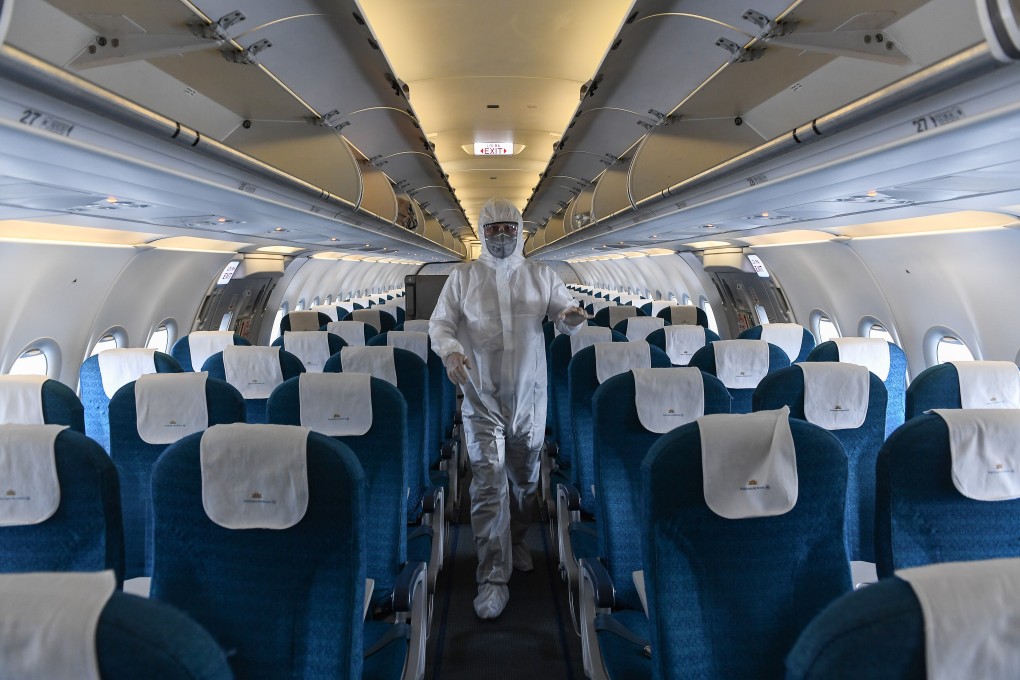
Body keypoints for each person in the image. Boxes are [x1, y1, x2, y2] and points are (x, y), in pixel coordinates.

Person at [429, 197, 590, 619]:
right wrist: (450, 352)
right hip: (481, 398)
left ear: (520, 232)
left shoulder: (541, 275)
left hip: (529, 399)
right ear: (482, 234)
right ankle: (492, 577)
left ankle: (515, 539)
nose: (501, 236)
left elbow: (564, 311)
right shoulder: (462, 278)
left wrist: (571, 317)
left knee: (523, 481)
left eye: (508, 229)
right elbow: (441, 323)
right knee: (487, 484)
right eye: (493, 229)